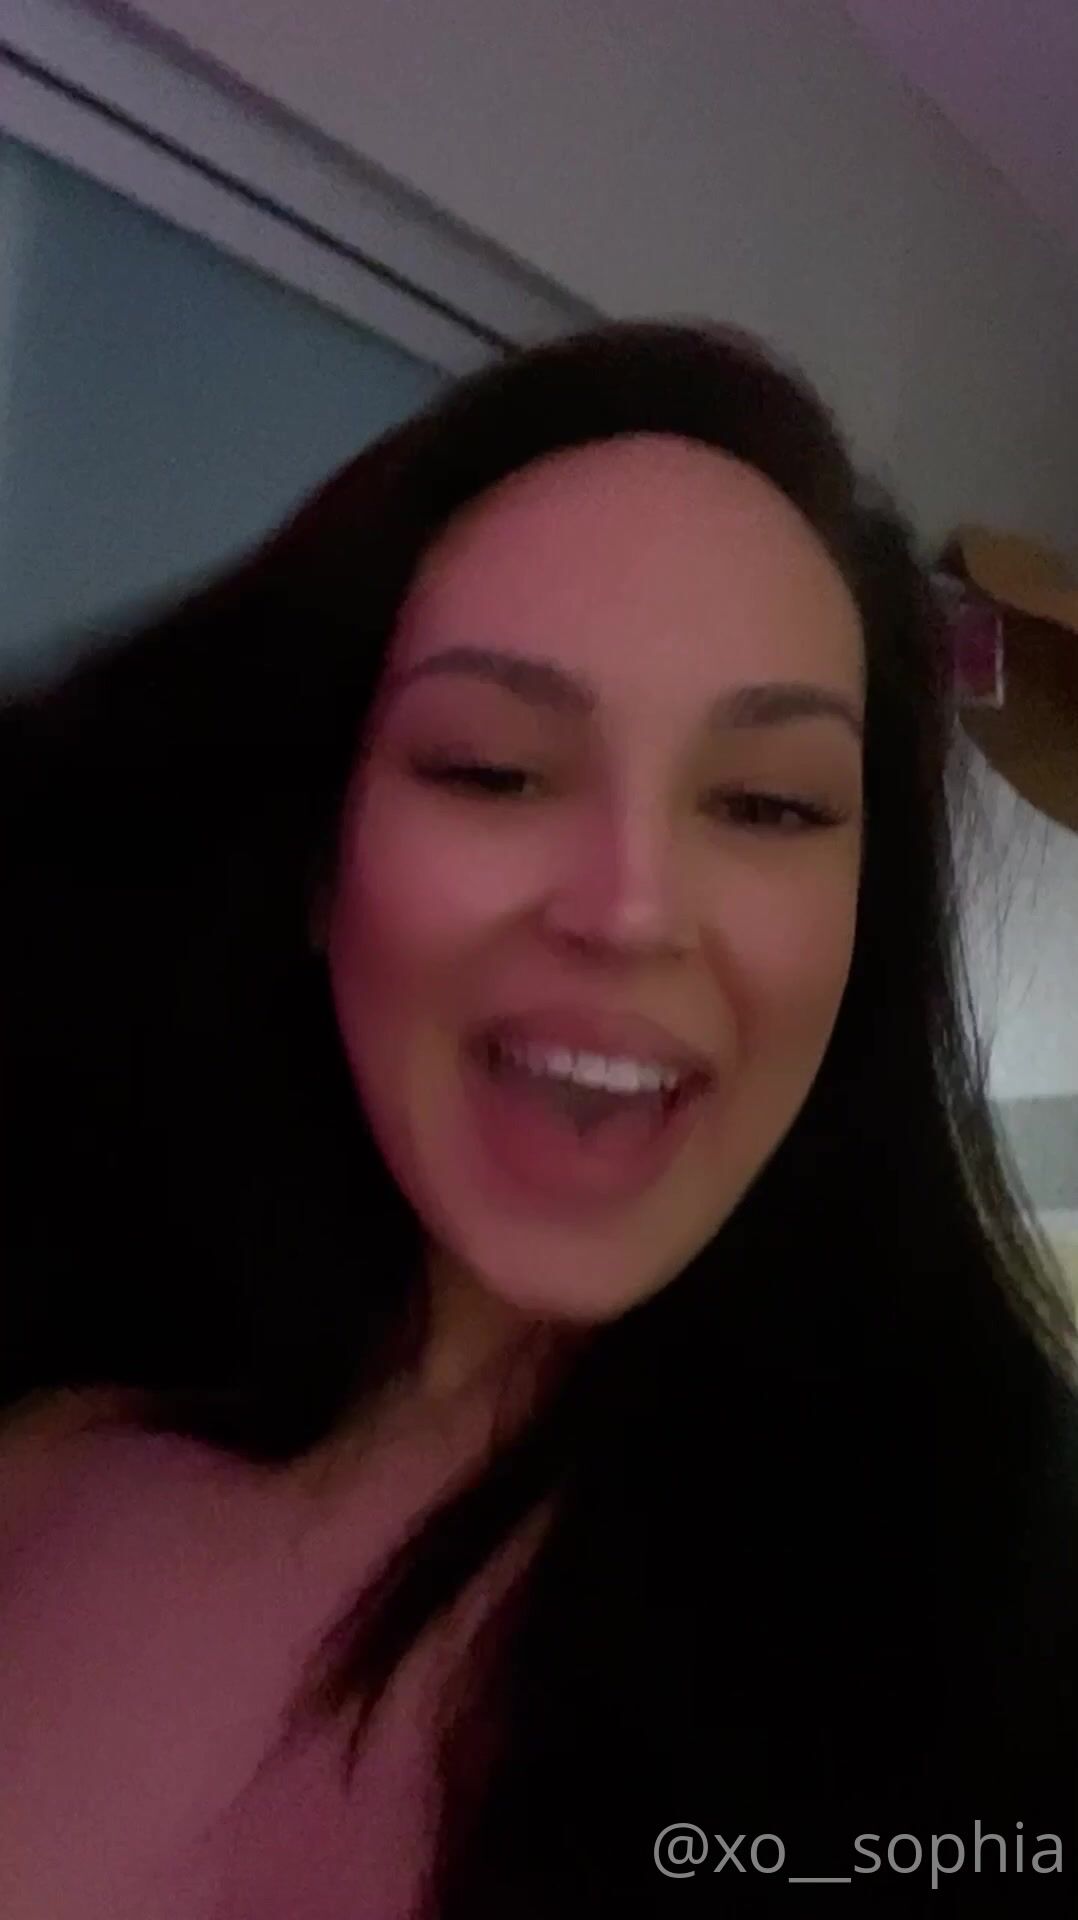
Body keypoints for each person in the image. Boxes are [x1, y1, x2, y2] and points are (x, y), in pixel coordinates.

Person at [2, 318, 1076, 1918]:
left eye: (767, 803)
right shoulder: (54, 1442)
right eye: (493, 770)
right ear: (316, 860)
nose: (630, 910)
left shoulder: (1001, 1637)